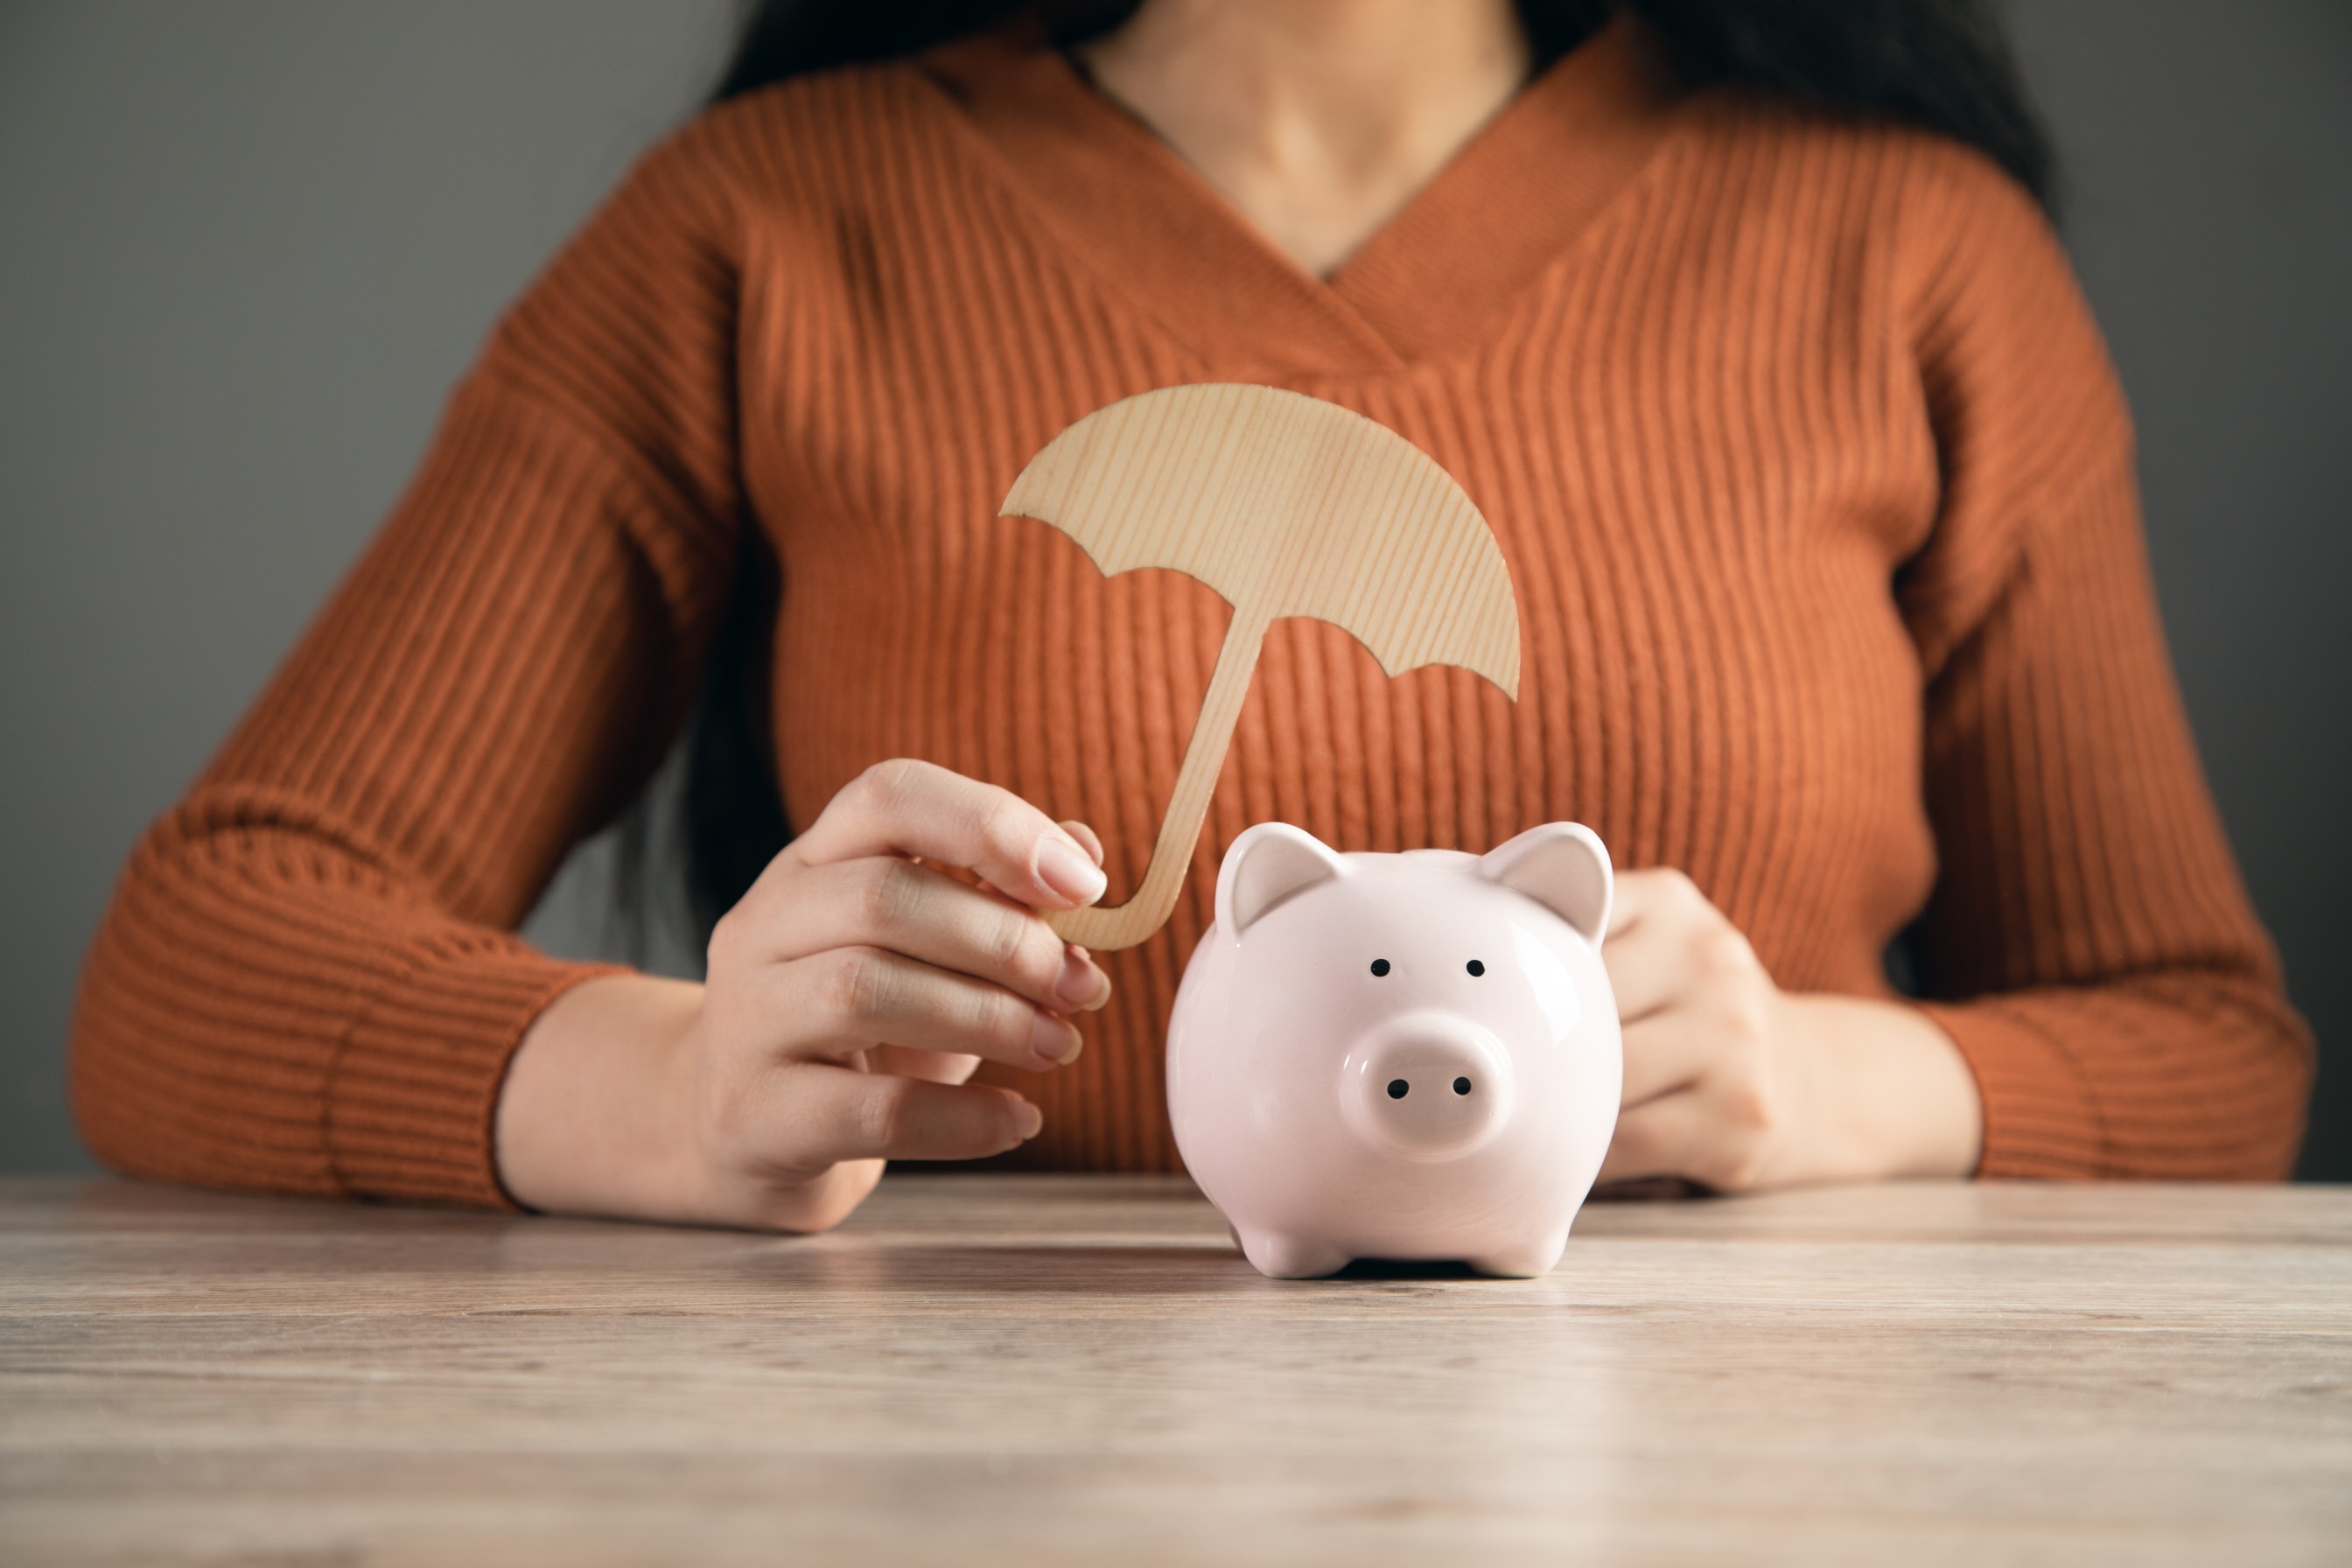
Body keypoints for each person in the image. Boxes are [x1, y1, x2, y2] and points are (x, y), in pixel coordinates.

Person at [71, 0, 2312, 1231]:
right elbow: (200, 952)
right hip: (966, 1482)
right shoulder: (772, 225)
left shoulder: (1909, 253)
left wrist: (1831, 1079)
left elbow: (2208, 1050)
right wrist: (670, 1085)